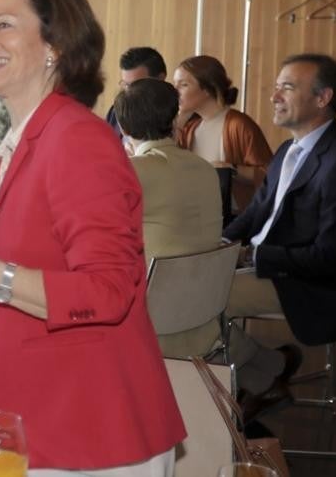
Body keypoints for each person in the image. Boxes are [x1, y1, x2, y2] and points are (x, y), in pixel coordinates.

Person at [0, 0, 184, 474]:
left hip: (86, 431)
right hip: (36, 422)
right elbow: (37, 227)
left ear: (56, 43)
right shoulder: (32, 136)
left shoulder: (77, 140)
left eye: (5, 24)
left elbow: (108, 289)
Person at [223, 54, 336, 421]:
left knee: (198, 299)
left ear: (323, 98)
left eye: (288, 87)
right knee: (187, 285)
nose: (274, 95)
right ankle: (267, 369)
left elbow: (333, 257)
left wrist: (253, 258)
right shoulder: (288, 150)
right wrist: (219, 244)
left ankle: (256, 377)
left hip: (309, 285)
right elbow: (255, 214)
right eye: (276, 86)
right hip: (271, 267)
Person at [114, 77, 223, 357]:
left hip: (152, 321)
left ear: (123, 128)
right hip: (204, 313)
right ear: (175, 117)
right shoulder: (205, 169)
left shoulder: (131, 172)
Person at [173, 55, 273, 211]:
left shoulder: (238, 125)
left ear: (207, 89)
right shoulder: (190, 127)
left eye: (183, 85)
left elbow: (269, 174)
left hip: (232, 217)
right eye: (175, 84)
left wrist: (230, 169)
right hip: (195, 214)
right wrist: (178, 122)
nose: (175, 91)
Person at [106, 46, 167, 140]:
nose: (129, 91)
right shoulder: (115, 113)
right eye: (126, 85)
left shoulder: (171, 117)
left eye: (136, 85)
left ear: (160, 79)